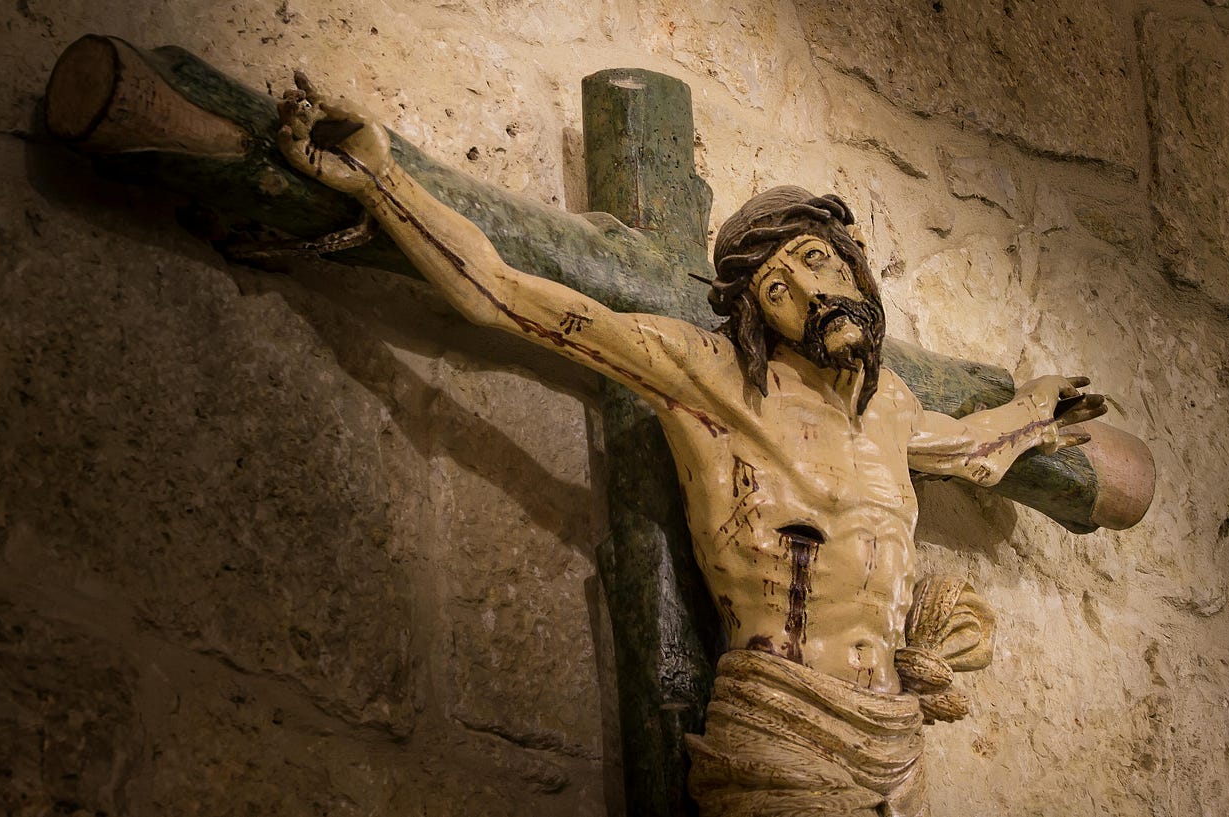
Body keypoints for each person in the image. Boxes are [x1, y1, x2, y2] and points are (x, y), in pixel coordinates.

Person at [276, 83, 1106, 816]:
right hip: (782, 733)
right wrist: (384, 185)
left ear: (855, 260)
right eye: (778, 289)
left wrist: (1037, 408)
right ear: (756, 314)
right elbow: (506, 295)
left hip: (895, 746)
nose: (810, 295)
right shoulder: (712, 378)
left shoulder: (891, 407)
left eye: (817, 262)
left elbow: (975, 449)